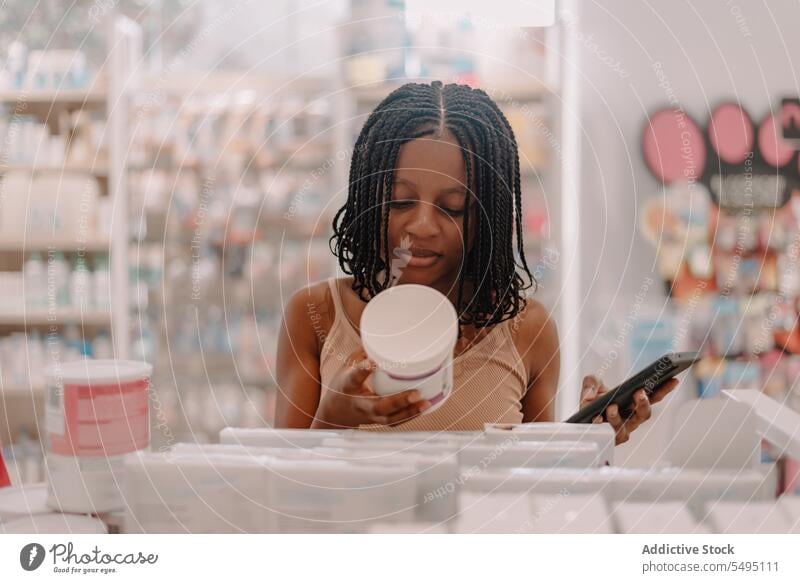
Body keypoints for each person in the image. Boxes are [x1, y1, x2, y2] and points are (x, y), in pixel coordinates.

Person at [274, 80, 677, 444]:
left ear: (488, 217)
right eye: (399, 200)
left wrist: (589, 442)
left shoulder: (527, 331)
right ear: (368, 200)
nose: (422, 225)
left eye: (453, 207)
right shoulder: (315, 318)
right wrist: (331, 418)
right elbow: (281, 493)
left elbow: (530, 493)